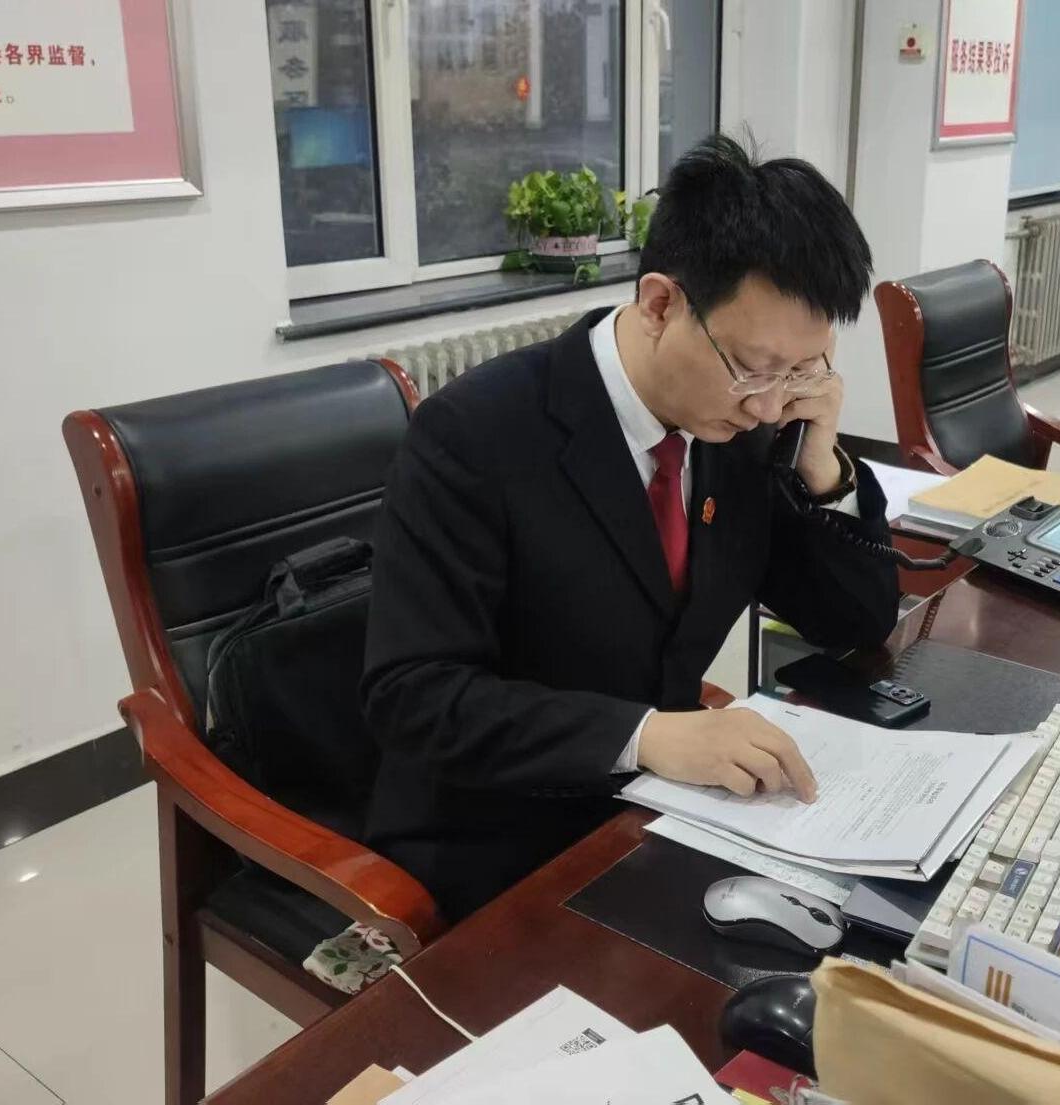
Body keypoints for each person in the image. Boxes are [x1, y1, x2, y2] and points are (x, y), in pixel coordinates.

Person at [361, 135, 901, 921]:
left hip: (667, 811)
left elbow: (852, 622)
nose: (766, 403)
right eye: (753, 366)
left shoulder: (743, 430)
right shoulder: (474, 435)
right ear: (658, 305)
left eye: (801, 368)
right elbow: (414, 695)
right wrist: (646, 736)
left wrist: (823, 467)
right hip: (499, 838)